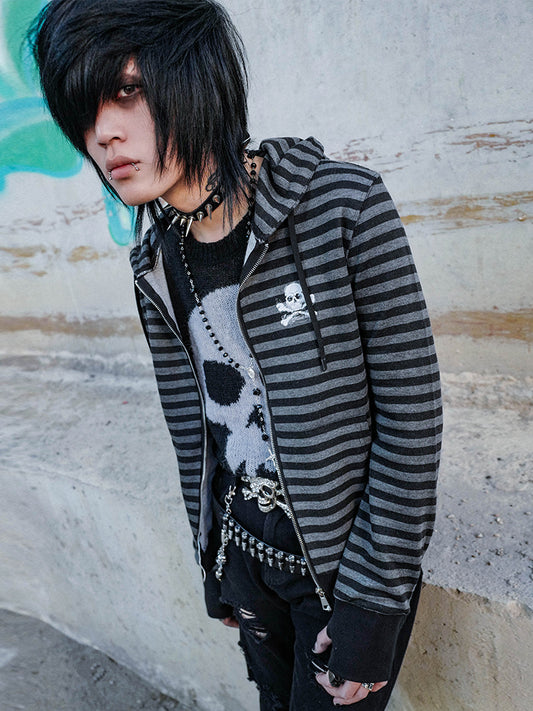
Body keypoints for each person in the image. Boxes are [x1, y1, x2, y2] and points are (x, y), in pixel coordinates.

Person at [28, 1, 443, 708]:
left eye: (125, 91)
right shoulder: (155, 264)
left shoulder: (343, 207)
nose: (103, 133)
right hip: (245, 565)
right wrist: (212, 560)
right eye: (83, 115)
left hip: (339, 580)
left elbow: (412, 423)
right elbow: (192, 428)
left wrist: (371, 606)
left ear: (194, 77)